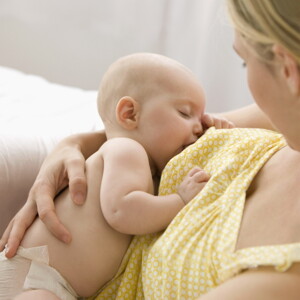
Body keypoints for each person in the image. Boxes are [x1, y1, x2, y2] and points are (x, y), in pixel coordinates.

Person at [1, 0, 300, 298]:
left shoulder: (280, 274)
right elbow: (131, 164)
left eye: (245, 62)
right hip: (43, 275)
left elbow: (124, 201)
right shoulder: (283, 121)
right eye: (186, 114)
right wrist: (71, 146)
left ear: (287, 71)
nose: (200, 126)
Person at [0, 53, 235, 300]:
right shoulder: (127, 150)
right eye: (185, 114)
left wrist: (213, 131)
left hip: (50, 278)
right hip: (38, 275)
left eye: (202, 119)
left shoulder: (144, 164)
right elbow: (122, 211)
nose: (198, 127)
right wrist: (180, 200)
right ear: (130, 113)